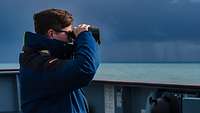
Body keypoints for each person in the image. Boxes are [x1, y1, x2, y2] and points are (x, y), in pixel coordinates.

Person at [19, 8, 100, 113]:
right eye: (68, 34)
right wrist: (84, 35)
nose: (71, 39)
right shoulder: (38, 64)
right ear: (51, 33)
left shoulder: (50, 58)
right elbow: (85, 69)